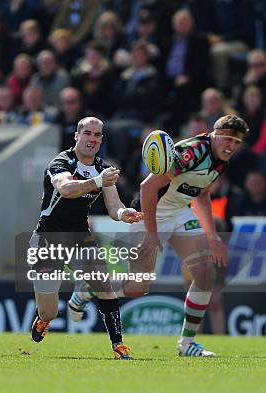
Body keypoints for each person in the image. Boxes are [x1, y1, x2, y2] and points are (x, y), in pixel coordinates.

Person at [70, 115, 250, 357]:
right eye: (227, 139)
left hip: (179, 212)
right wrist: (152, 234)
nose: (231, 146)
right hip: (149, 213)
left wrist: (213, 236)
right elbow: (147, 187)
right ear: (214, 134)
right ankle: (89, 288)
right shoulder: (192, 152)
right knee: (137, 287)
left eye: (237, 143)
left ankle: (186, 345)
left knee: (206, 274)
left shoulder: (221, 159)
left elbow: (202, 194)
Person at [29, 116, 142, 360]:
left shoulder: (102, 168)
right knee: (49, 311)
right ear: (77, 136)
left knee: (104, 284)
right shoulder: (61, 162)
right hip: (48, 239)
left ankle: (118, 346)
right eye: (88, 133)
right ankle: (43, 318)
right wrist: (97, 182)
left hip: (80, 236)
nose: (92, 139)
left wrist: (125, 213)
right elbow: (66, 189)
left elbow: (114, 206)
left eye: (98, 135)